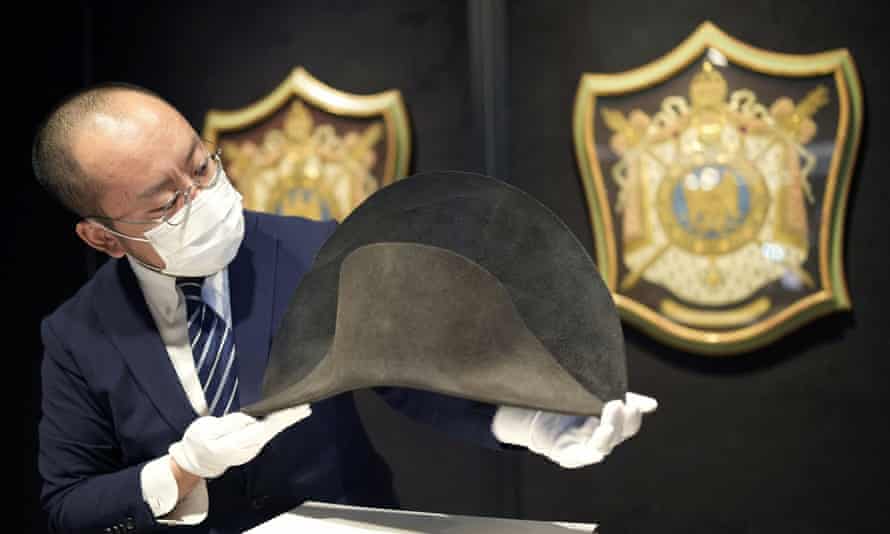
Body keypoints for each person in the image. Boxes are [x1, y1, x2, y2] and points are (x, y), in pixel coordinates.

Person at [32, 83, 657, 533]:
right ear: (103, 237)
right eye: (165, 202)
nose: (200, 197)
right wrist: (182, 468)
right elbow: (69, 503)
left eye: (200, 166)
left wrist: (535, 423)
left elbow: (413, 376)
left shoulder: (310, 250)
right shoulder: (77, 333)